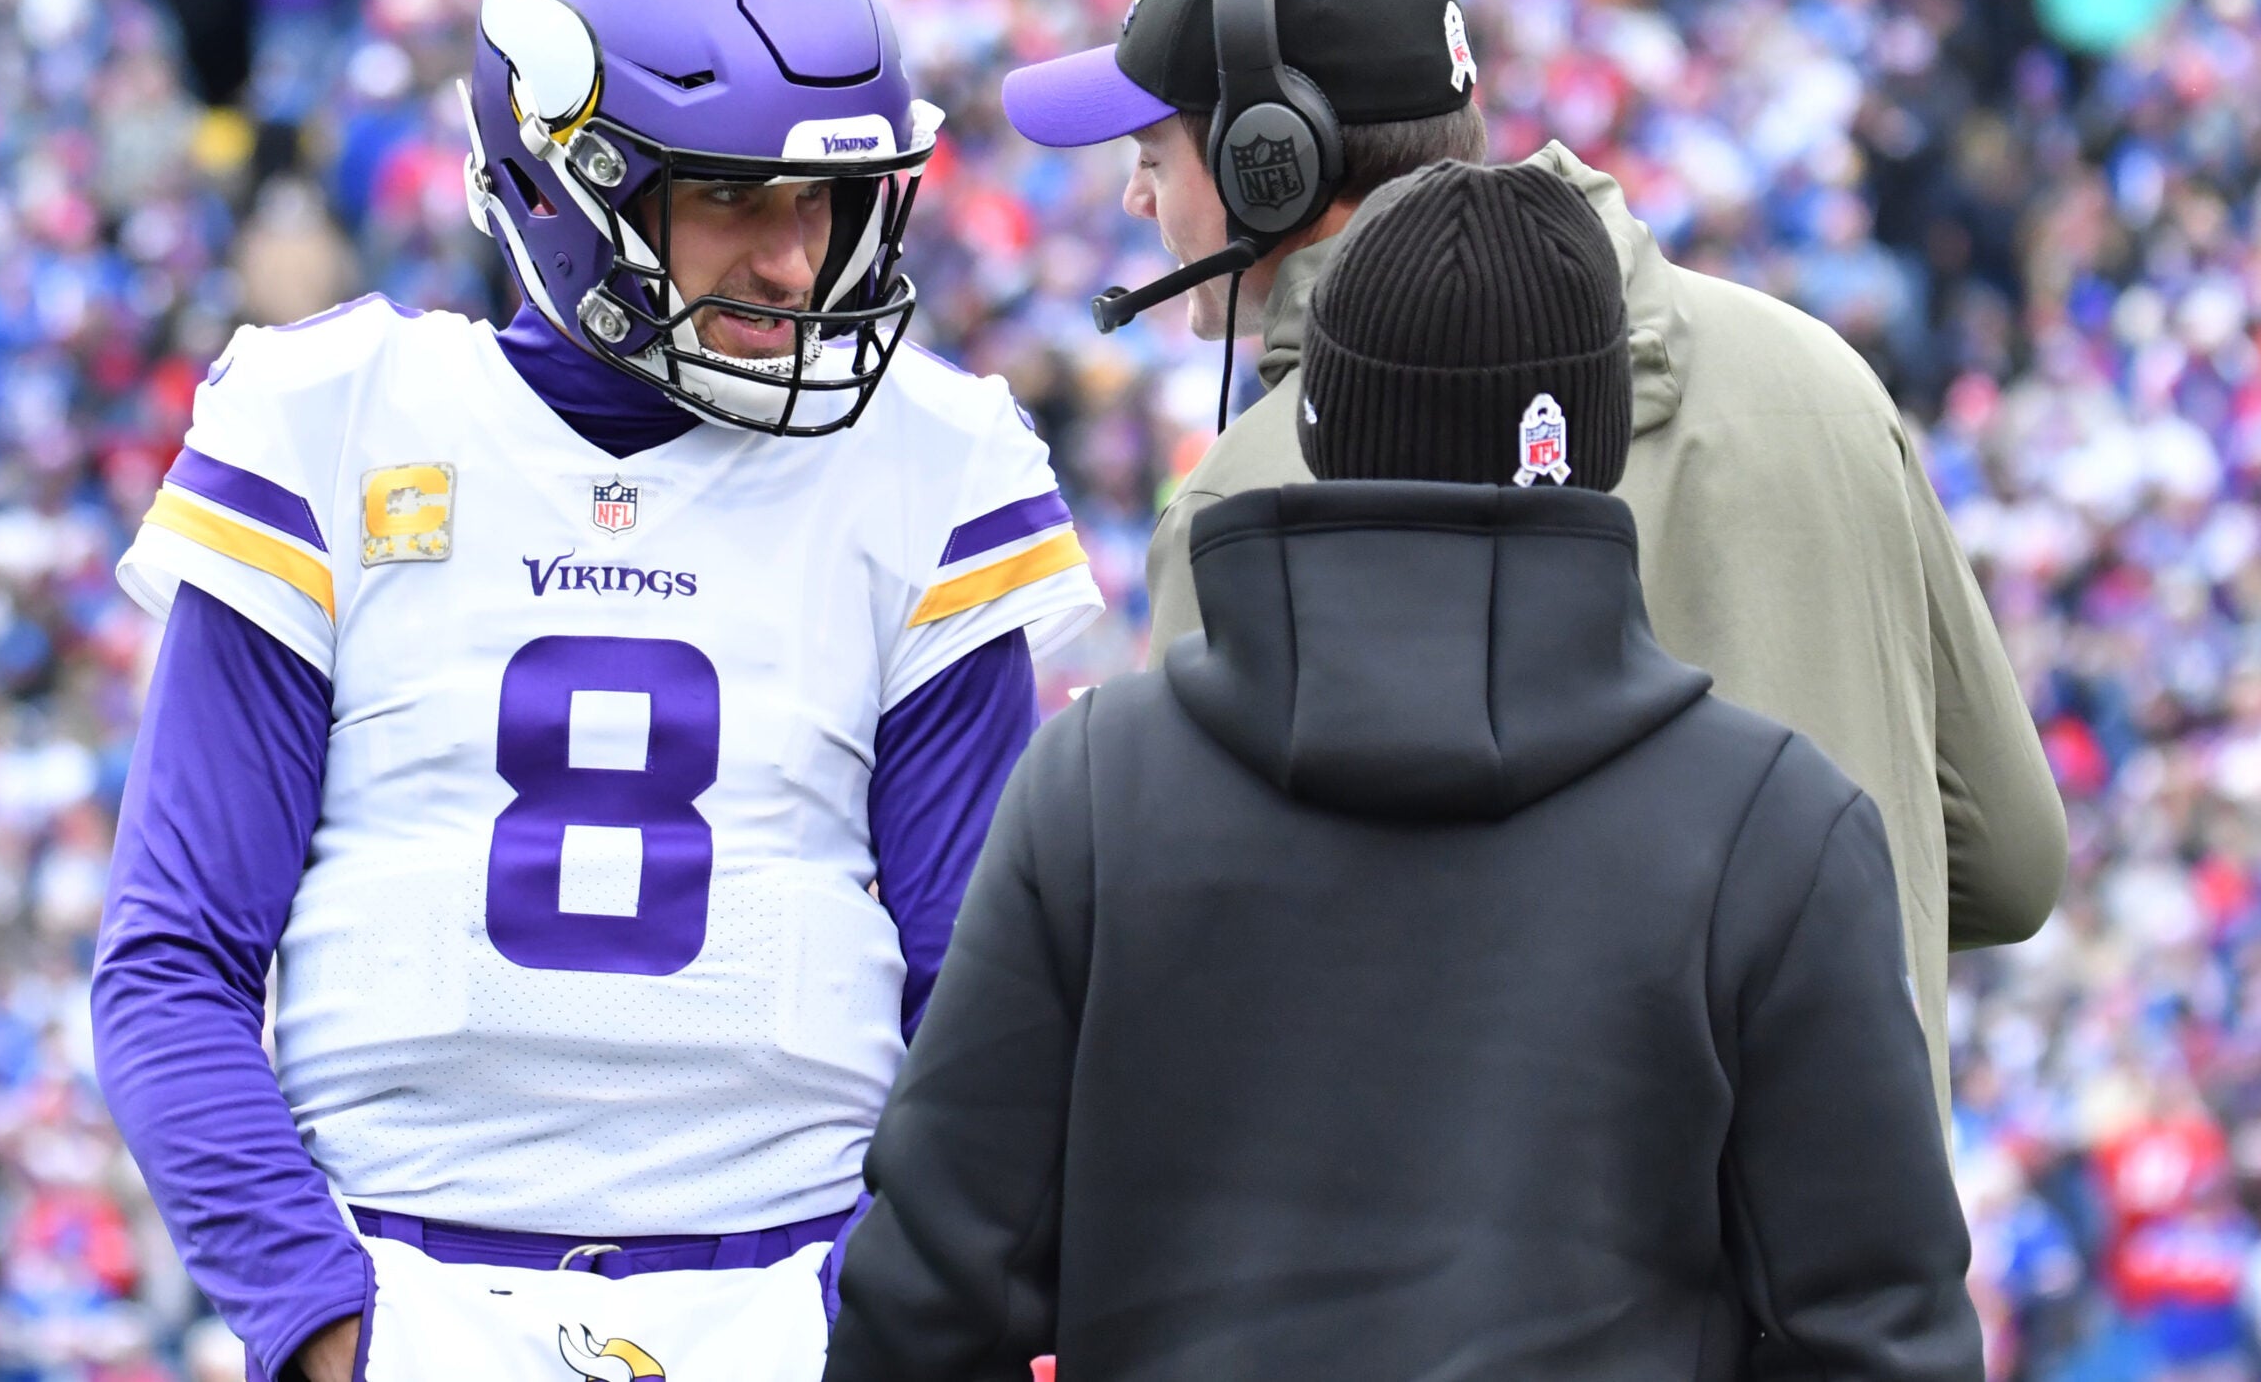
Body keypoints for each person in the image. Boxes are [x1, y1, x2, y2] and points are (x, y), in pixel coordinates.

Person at [92, 0, 1101, 1382]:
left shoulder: (929, 462)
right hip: (403, 1272)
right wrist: (326, 1325)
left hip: (790, 1286)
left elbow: (980, 999)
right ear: (570, 186)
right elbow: (172, 961)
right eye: (734, 199)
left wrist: (859, 1320)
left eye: (822, 202)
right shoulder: (333, 427)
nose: (793, 263)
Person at [825, 163, 1984, 1382]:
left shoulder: (1098, 787)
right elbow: (1877, 1338)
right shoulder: (1777, 830)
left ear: (1318, 421)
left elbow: (927, 1300)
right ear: (1591, 446)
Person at [998, 0, 2065, 1113]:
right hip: (1857, 1274)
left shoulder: (1261, 490)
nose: (1131, 194)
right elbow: (2009, 861)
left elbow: (1204, 987)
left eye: (1155, 155)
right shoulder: (1821, 376)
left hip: (1508, 1289)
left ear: (1269, 165)